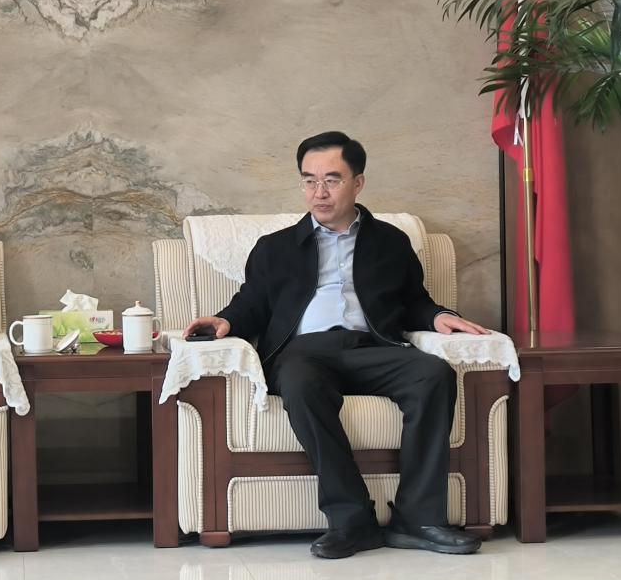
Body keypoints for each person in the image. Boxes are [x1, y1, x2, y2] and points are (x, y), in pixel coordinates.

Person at [183, 131, 489, 560]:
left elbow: (413, 301)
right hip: (304, 353)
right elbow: (251, 304)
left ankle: (418, 520)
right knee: (299, 382)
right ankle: (351, 521)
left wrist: (437, 316)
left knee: (433, 374)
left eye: (331, 180)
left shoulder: (390, 241)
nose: (319, 192)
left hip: (373, 347)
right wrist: (225, 320)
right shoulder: (275, 248)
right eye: (309, 180)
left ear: (357, 183)